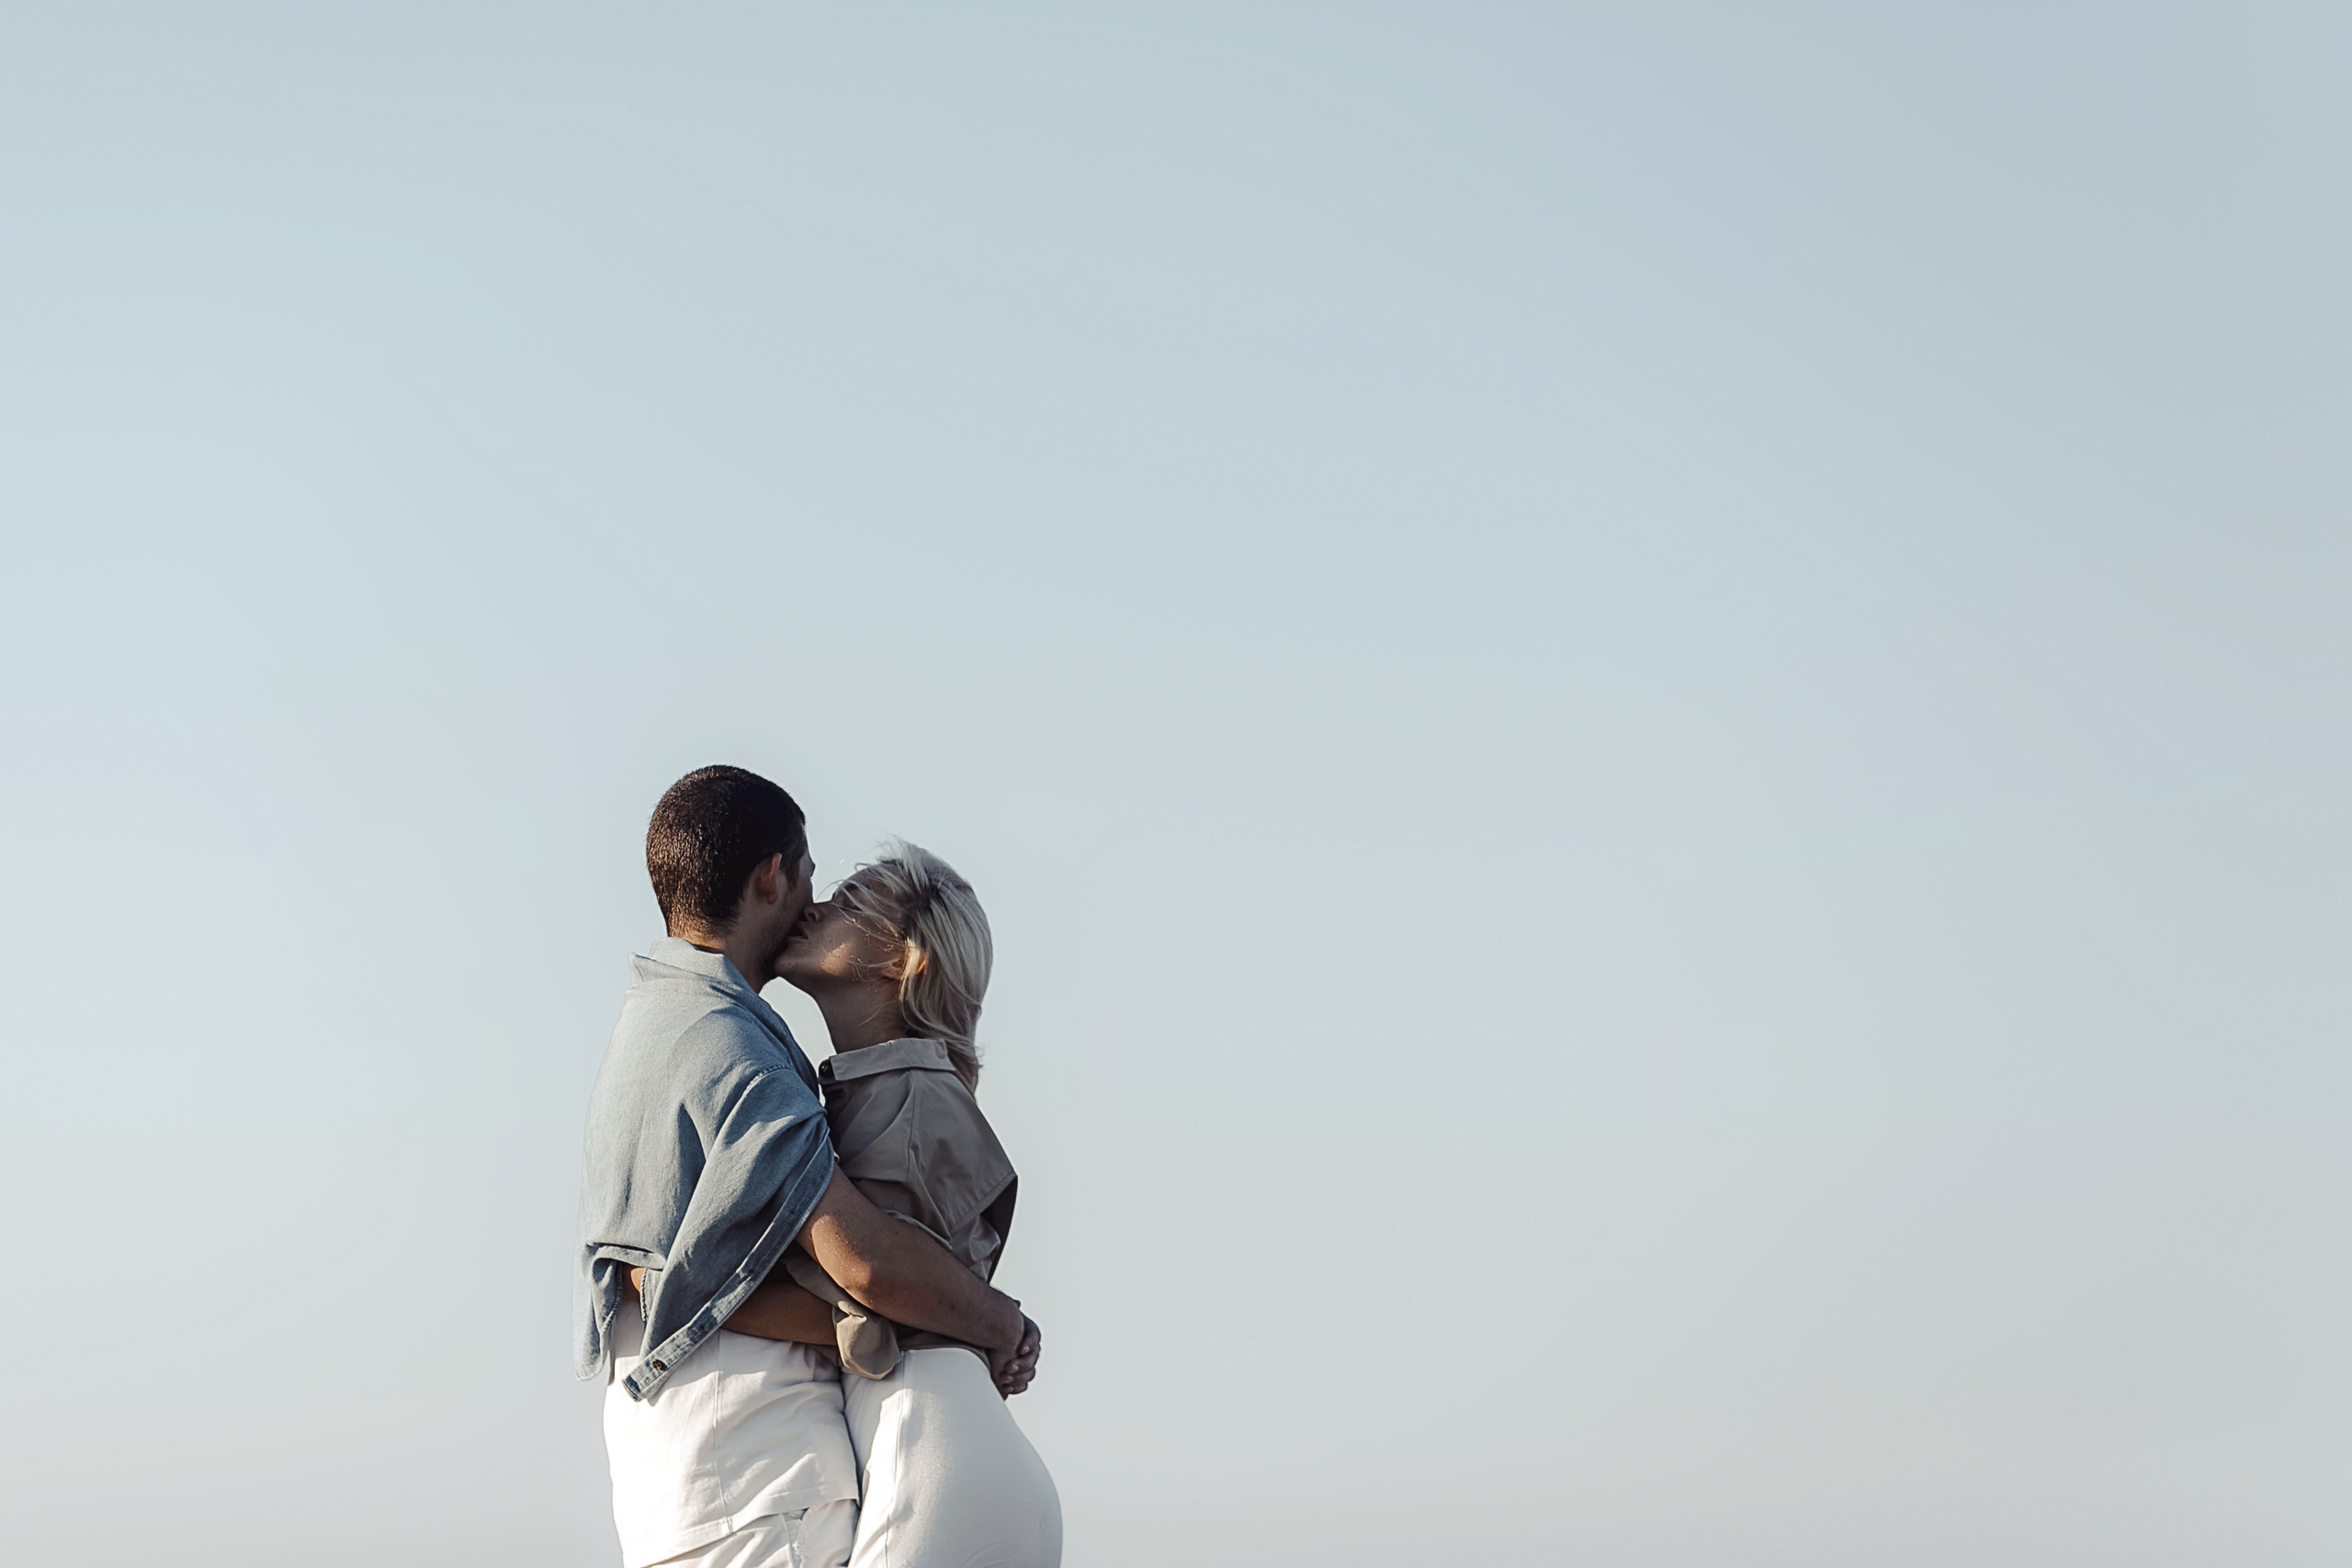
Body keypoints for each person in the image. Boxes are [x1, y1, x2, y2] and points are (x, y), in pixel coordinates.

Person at [576, 767, 1042, 1568]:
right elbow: (861, 1265)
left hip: (808, 1477)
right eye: (817, 879)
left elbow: (679, 1281)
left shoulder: (678, 1027)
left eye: (852, 900)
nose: (817, 904)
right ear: (772, 876)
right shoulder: (733, 1046)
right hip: (763, 1482)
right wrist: (1002, 1324)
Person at [770, 840, 1063, 1568]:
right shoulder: (898, 1096)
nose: (813, 908)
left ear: (902, 959)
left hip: (932, 1458)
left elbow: (869, 1298)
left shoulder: (908, 1101)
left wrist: (660, 1297)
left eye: (849, 902)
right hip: (965, 1454)